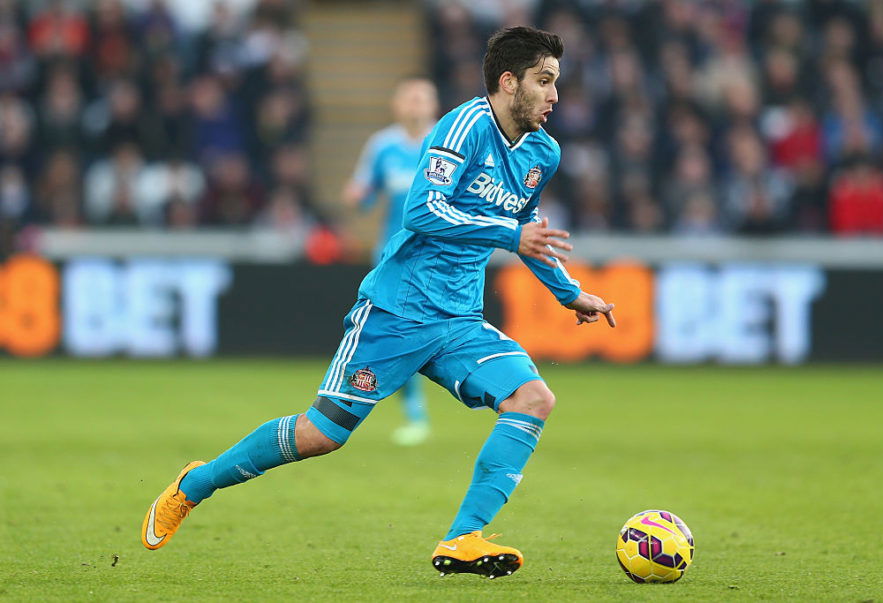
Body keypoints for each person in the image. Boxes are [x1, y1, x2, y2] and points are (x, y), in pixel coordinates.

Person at [141, 26, 616, 580]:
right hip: (398, 311)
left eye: (556, 82)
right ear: (509, 83)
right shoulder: (462, 127)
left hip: (460, 319)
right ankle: (194, 485)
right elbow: (423, 212)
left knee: (533, 398)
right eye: (544, 81)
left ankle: (463, 538)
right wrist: (510, 238)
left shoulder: (543, 152)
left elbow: (527, 229)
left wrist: (569, 293)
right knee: (323, 435)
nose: (555, 95)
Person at [341, 77, 439, 446]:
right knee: (397, 331)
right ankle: (414, 414)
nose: (415, 105)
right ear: (397, 106)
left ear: (433, 105)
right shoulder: (382, 146)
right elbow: (364, 195)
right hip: (393, 255)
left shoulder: (448, 141)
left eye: (422, 98)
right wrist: (356, 197)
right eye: (409, 98)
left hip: (439, 255)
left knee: (429, 330)